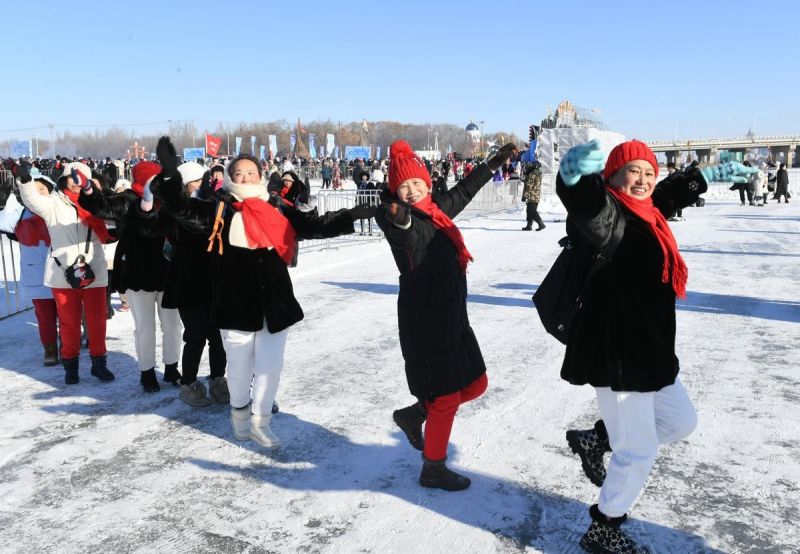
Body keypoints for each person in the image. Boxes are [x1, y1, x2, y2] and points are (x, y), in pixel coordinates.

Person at [555, 139, 757, 552]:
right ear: (611, 176)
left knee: (680, 422)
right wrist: (572, 176)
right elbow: (584, 204)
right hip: (620, 355)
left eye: (649, 172)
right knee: (639, 451)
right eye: (633, 171)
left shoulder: (645, 215)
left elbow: (663, 196)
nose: (644, 180)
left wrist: (703, 177)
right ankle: (604, 527)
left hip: (652, 351)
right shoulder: (606, 216)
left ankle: (597, 439)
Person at [155, 137, 375, 447]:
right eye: (239, 173)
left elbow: (313, 225)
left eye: (251, 172)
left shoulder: (276, 207)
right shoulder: (218, 209)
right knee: (241, 368)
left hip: (274, 302)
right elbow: (179, 209)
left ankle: (261, 422)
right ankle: (240, 417)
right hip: (235, 303)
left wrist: (351, 216)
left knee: (270, 367)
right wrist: (168, 175)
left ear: (261, 175)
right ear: (230, 177)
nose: (245, 177)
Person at [376, 140, 517, 492]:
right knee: (446, 399)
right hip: (425, 323)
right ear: (394, 191)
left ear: (427, 183)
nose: (410, 191)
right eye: (402, 186)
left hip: (453, 316)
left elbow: (466, 189)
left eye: (416, 184)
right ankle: (433, 468)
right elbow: (405, 231)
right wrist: (398, 217)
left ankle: (416, 413)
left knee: (476, 383)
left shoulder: (437, 211)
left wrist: (495, 162)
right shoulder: (405, 223)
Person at [79, 160, 183, 393]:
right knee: (145, 327)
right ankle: (147, 372)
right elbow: (102, 207)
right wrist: (88, 189)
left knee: (173, 325)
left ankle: (172, 367)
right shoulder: (127, 201)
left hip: (168, 273)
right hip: (139, 272)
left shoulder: (169, 202)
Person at [17, 163, 115, 384]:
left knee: (97, 322)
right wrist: (25, 180)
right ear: (63, 178)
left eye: (81, 177)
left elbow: (115, 218)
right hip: (63, 274)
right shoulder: (53, 203)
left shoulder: (96, 204)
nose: (76, 180)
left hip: (94, 270)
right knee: (69, 323)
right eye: (72, 176)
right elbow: (33, 200)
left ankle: (99, 364)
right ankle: (71, 366)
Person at [0, 170, 60, 365]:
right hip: (36, 276)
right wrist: (5, 202)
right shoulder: (21, 214)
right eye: (33, 190)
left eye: (41, 189)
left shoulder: (58, 210)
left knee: (68, 314)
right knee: (44, 317)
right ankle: (50, 349)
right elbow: (4, 224)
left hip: (61, 273)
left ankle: (71, 344)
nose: (36, 194)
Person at [521, 161, 545, 231]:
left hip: (532, 195)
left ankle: (541, 224)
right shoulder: (537, 173)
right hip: (535, 195)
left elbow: (529, 185)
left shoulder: (532, 173)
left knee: (532, 211)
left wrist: (525, 195)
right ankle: (529, 226)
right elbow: (532, 183)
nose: (526, 170)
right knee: (529, 211)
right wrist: (525, 179)